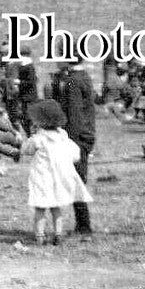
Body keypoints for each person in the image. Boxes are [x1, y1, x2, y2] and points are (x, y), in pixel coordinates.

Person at [20, 100, 92, 246]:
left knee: (40, 208)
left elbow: (26, 150)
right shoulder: (63, 137)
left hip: (42, 177)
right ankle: (58, 234)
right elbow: (75, 155)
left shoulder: (38, 139)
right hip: (58, 179)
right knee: (55, 207)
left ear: (40, 122)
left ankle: (40, 236)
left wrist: (30, 136)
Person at [54, 60, 96, 236]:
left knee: (76, 180)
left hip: (76, 138)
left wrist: (68, 140)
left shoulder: (72, 81)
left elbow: (74, 113)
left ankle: (84, 226)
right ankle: (82, 224)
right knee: (77, 179)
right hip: (85, 135)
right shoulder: (83, 76)